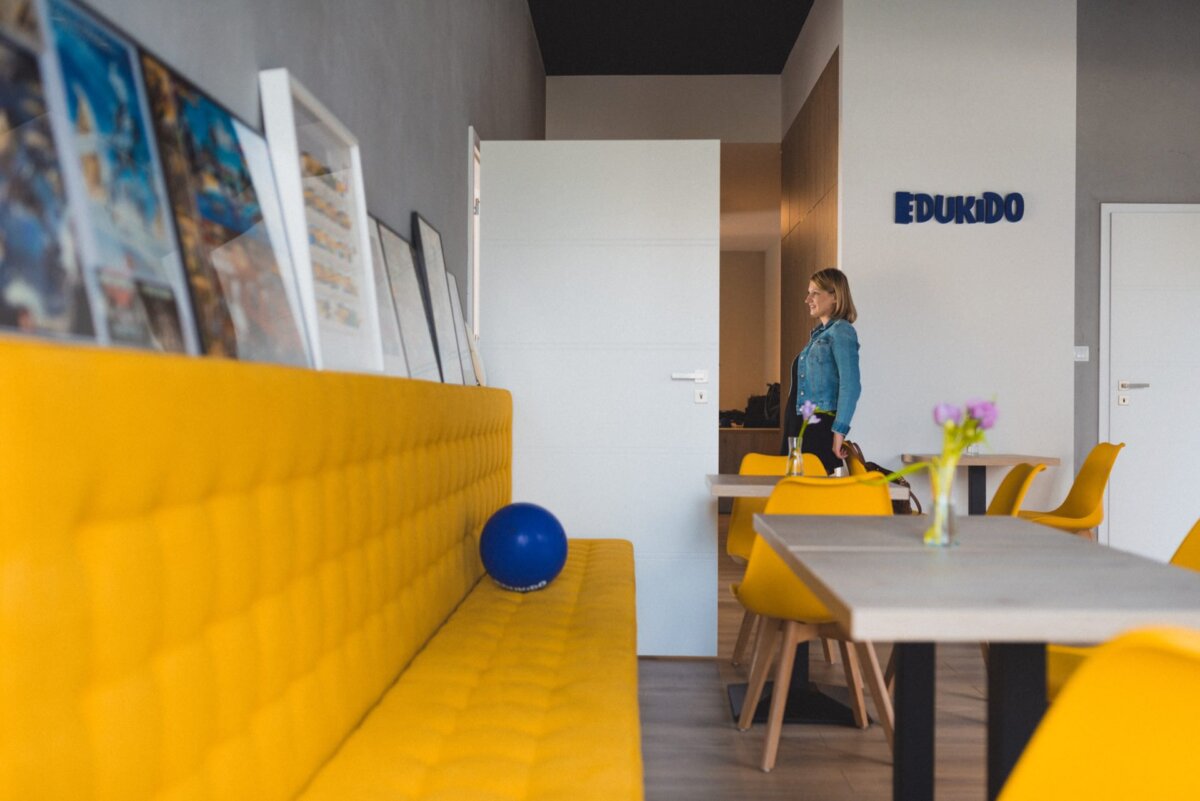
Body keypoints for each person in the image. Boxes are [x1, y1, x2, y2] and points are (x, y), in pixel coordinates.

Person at [782, 267, 861, 474]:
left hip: (818, 426)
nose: (807, 299)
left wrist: (839, 432)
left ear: (835, 296)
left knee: (809, 496)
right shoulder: (817, 336)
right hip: (798, 423)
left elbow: (850, 385)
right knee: (794, 493)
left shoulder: (842, 332)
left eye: (815, 293)